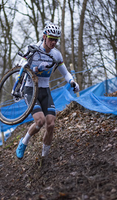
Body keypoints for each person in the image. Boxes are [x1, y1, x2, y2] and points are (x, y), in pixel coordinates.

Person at [16, 22, 80, 159]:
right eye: (51, 39)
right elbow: (21, 66)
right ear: (44, 36)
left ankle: (44, 158)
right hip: (30, 88)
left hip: (45, 89)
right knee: (40, 121)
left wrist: (72, 81)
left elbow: (65, 72)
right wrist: (35, 68)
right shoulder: (33, 48)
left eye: (56, 40)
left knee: (50, 123)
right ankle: (24, 142)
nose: (53, 42)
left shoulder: (56, 55)